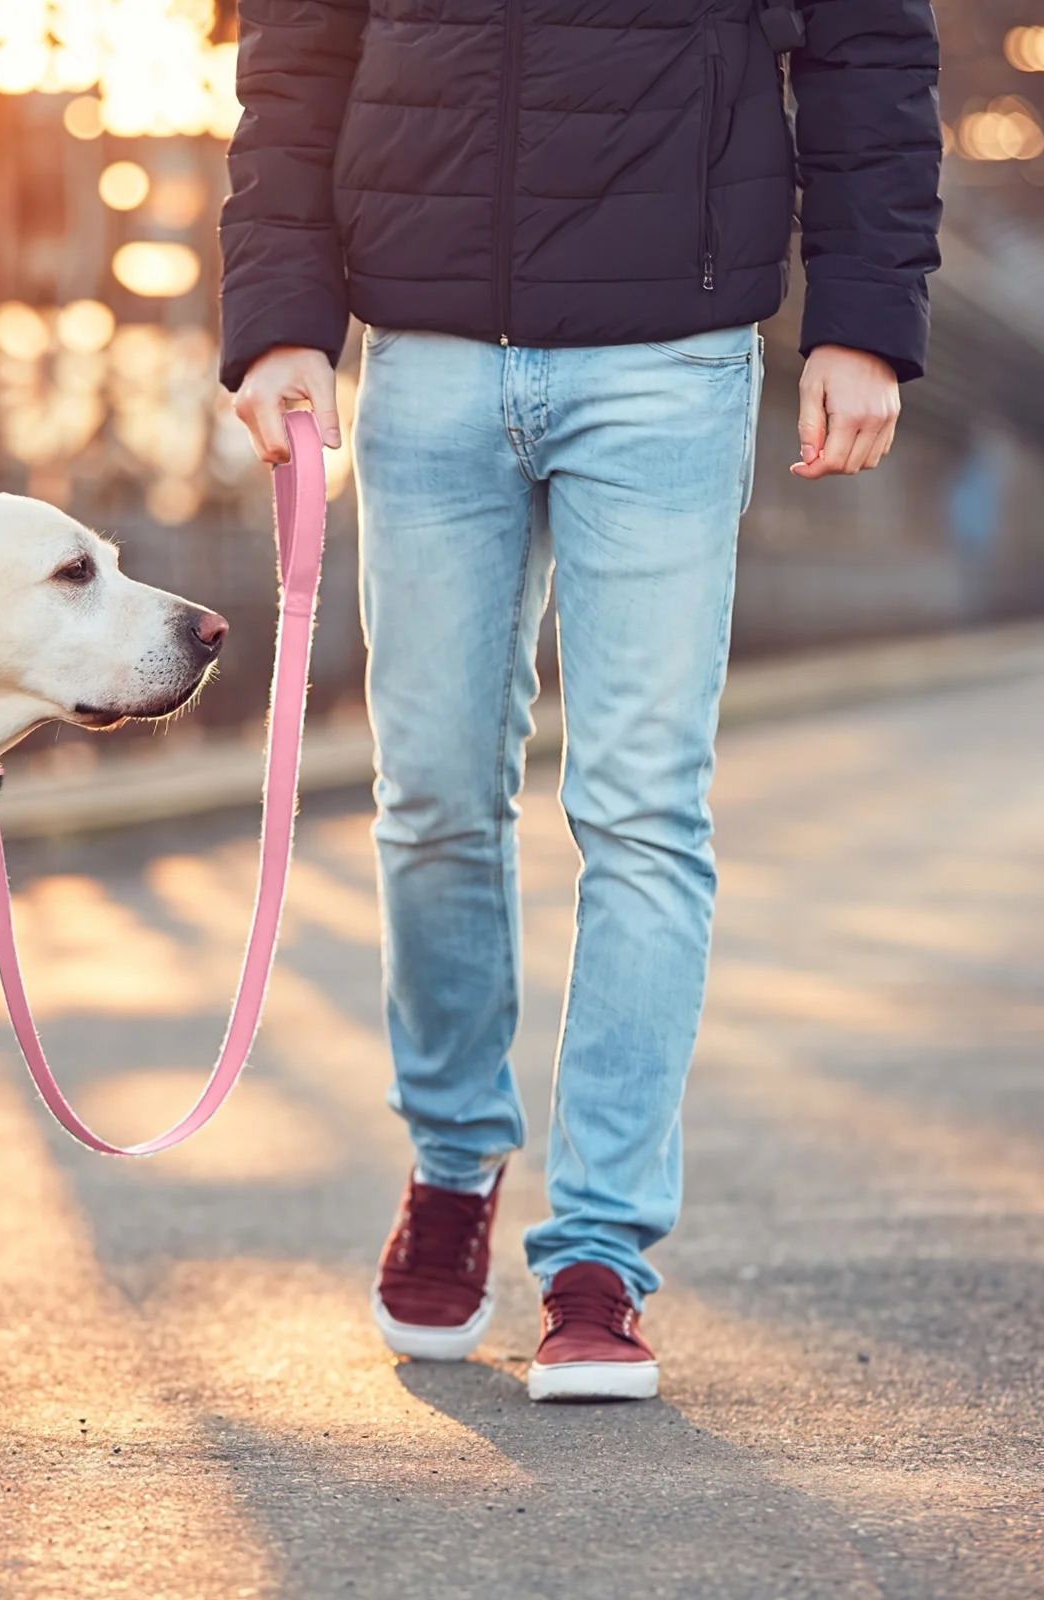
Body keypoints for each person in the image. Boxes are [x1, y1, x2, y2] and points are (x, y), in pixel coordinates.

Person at [219, 0, 941, 1399]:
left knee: (643, 807)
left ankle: (600, 1253)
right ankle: (449, 1165)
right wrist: (279, 321)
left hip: (671, 359)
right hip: (423, 356)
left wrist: (865, 317)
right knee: (429, 794)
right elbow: (296, 56)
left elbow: (869, 47)